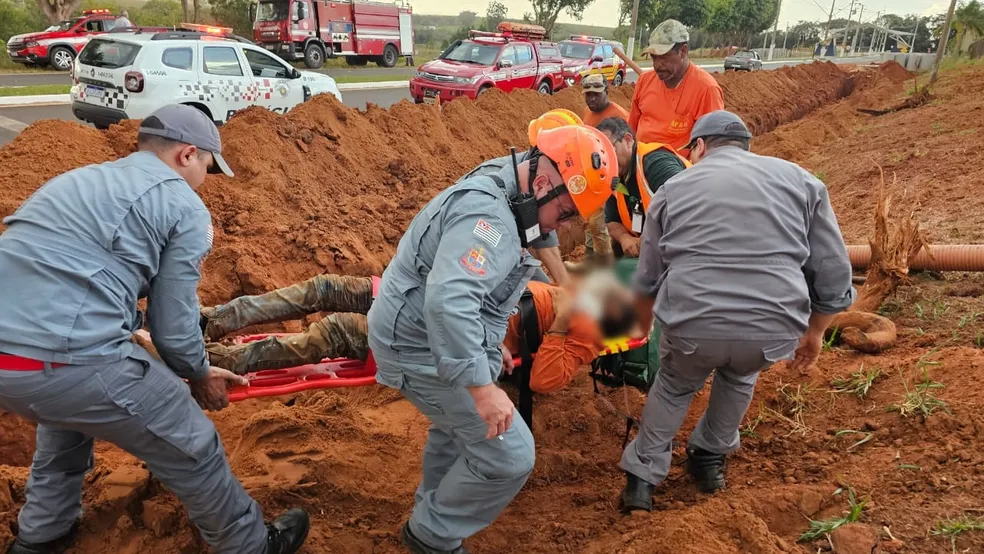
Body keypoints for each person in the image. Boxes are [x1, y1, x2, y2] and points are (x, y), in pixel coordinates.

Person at [0, 105, 309, 554]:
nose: (206, 178)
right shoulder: (184, 204)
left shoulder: (77, 180)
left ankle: (39, 538)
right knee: (194, 445)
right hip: (73, 360)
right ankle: (252, 545)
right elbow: (173, 320)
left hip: (12, 367)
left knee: (63, 422)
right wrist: (197, 373)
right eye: (207, 165)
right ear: (187, 154)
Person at [366, 125, 618, 554]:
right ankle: (432, 535)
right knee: (511, 455)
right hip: (416, 343)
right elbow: (449, 301)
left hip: (427, 332)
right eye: (567, 212)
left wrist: (487, 339)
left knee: (456, 430)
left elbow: (479, 286)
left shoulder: (515, 184)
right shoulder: (490, 219)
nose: (565, 224)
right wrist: (481, 388)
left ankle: (431, 517)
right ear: (542, 183)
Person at [618, 110, 855, 512]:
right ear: (746, 146)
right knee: (740, 374)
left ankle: (641, 481)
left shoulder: (674, 188)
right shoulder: (802, 182)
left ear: (699, 147)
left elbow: (648, 275)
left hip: (694, 325)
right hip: (770, 328)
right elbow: (832, 270)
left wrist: (641, 323)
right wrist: (815, 331)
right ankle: (709, 459)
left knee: (675, 385)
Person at [170, 271, 635, 395]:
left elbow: (541, 380)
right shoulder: (580, 290)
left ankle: (205, 359)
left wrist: (555, 326)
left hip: (416, 338)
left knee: (324, 335)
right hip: (418, 296)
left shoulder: (585, 337)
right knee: (323, 288)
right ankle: (208, 321)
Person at [459, 109, 595, 284]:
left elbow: (544, 242)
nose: (566, 225)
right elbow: (471, 270)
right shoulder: (490, 188)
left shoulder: (541, 187)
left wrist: (562, 291)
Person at [595, 116, 689, 259]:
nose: (606, 159)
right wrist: (624, 237)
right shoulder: (614, 175)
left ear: (627, 139)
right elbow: (611, 220)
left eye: (610, 150)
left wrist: (648, 240)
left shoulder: (656, 163)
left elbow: (686, 207)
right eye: (601, 154)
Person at [629, 19, 725, 153]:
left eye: (663, 57)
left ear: (683, 51)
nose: (657, 65)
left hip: (681, 171)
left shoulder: (706, 89)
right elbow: (631, 128)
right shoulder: (645, 81)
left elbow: (713, 146)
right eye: (654, 57)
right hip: (640, 164)